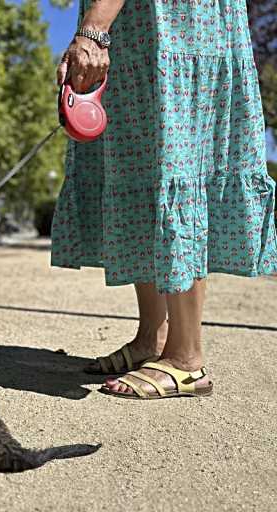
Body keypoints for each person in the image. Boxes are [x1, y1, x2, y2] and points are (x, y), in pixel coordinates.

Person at [52, 0, 277, 399]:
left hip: (180, 25)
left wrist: (92, 31)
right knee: (142, 171)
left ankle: (186, 358)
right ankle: (151, 340)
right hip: (138, 29)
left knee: (178, 167)